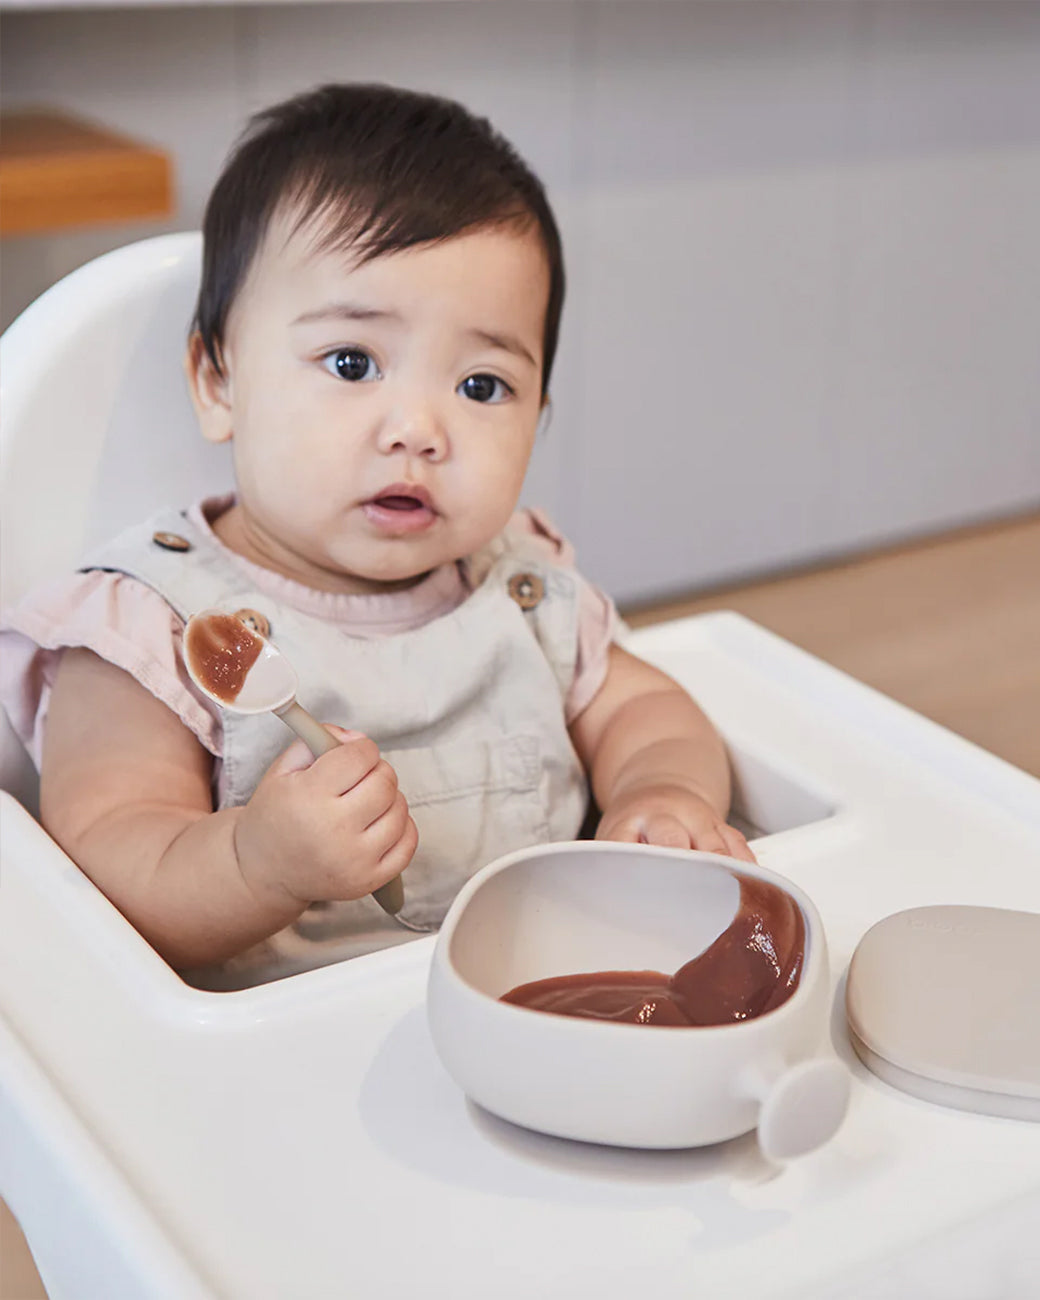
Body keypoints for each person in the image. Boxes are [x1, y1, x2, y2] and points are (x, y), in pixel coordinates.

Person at [0, 84, 753, 990]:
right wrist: (257, 863)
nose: (420, 430)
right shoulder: (152, 628)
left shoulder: (521, 590)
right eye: (352, 364)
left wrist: (659, 796)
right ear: (217, 383)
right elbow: (105, 865)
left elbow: (647, 712)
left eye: (482, 386)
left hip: (549, 1000)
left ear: (540, 413)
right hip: (283, 1064)